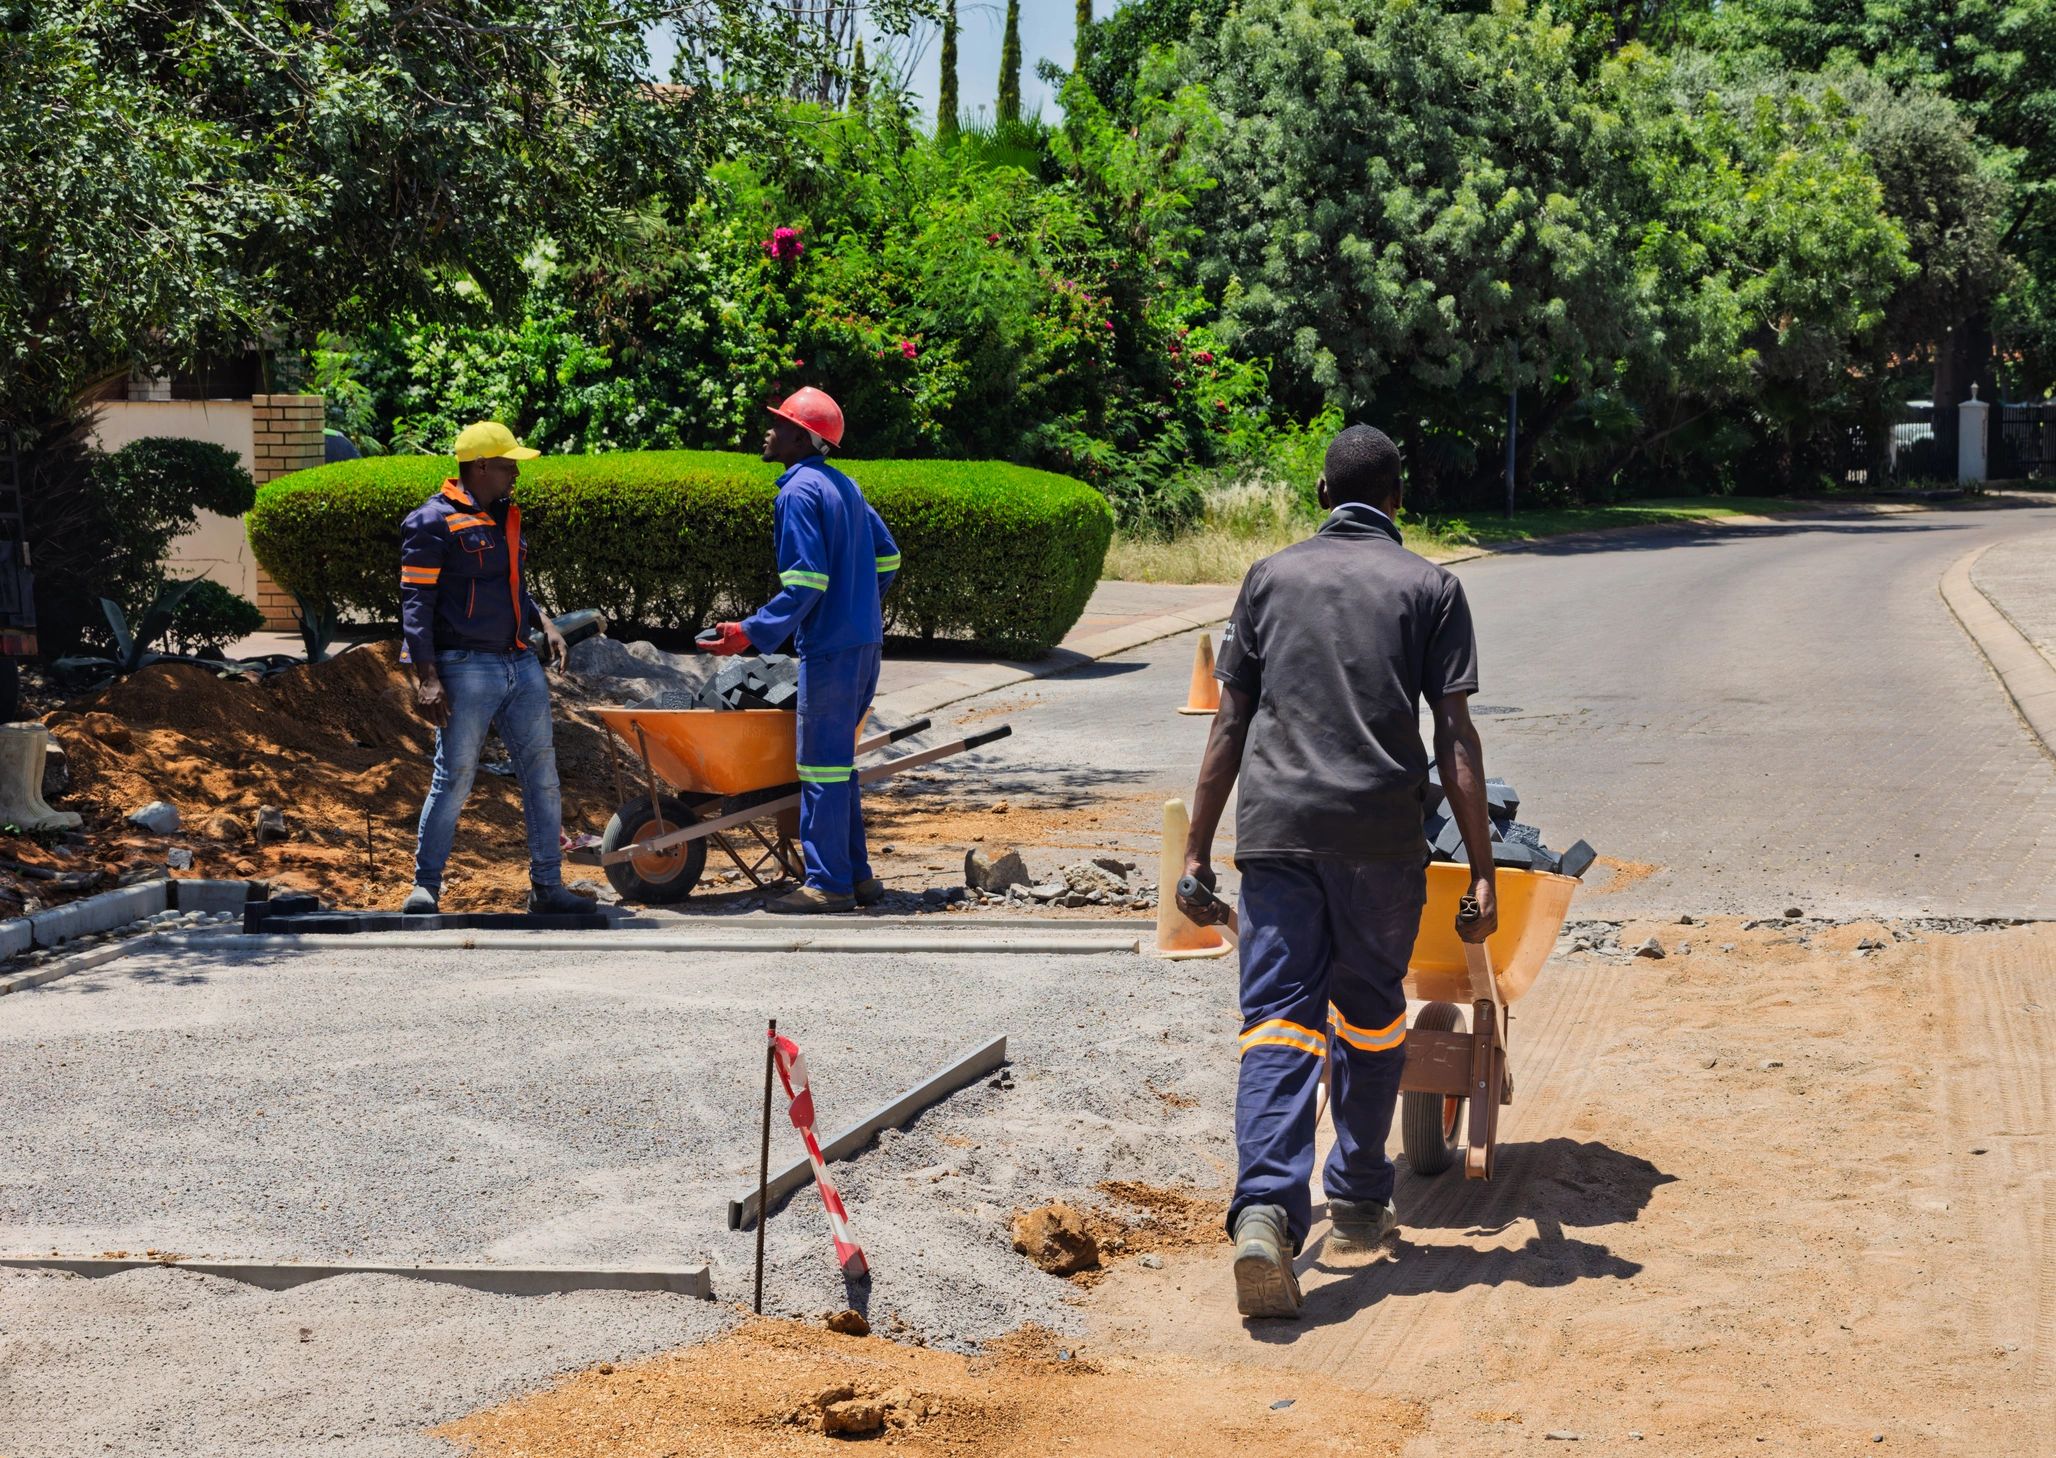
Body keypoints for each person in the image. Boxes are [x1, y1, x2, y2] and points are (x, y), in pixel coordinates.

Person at [1176, 423, 1498, 1319]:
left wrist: (1197, 850)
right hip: (1382, 841)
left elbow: (1228, 725)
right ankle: (1358, 1196)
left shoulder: (1269, 577)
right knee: (1369, 1016)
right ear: (1400, 500)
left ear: (1322, 496)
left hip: (1277, 839)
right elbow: (1456, 739)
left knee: (1277, 1026)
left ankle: (1266, 1216)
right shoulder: (1434, 589)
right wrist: (1481, 868)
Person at [699, 389, 900, 914]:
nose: (769, 430)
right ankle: (857, 878)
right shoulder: (845, 485)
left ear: (802, 437)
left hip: (832, 650)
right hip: (864, 643)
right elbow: (889, 555)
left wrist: (750, 632)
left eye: (779, 423)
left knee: (820, 767)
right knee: (838, 767)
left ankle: (827, 885)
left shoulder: (797, 494)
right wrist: (857, 604)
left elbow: (806, 582)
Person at [397, 421, 588, 915]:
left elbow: (513, 586)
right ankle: (425, 887)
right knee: (455, 777)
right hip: (464, 667)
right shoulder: (431, 522)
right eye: (507, 465)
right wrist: (427, 677)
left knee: (542, 777)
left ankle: (548, 888)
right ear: (480, 466)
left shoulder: (505, 518)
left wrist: (544, 622)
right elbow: (416, 604)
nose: (514, 475)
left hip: (518, 663)